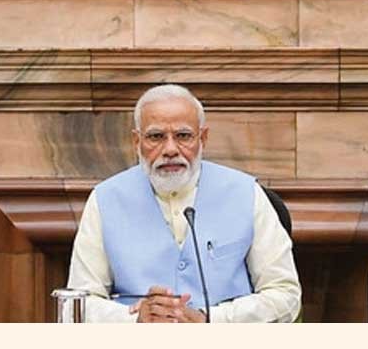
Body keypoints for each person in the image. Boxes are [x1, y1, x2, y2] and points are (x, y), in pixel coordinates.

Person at [67, 84, 301, 322]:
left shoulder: (247, 193)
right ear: (136, 141)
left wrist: (211, 319)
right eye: (156, 137)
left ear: (203, 138)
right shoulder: (105, 199)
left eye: (183, 136)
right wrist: (134, 320)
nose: (170, 149)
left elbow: (285, 294)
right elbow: (75, 303)